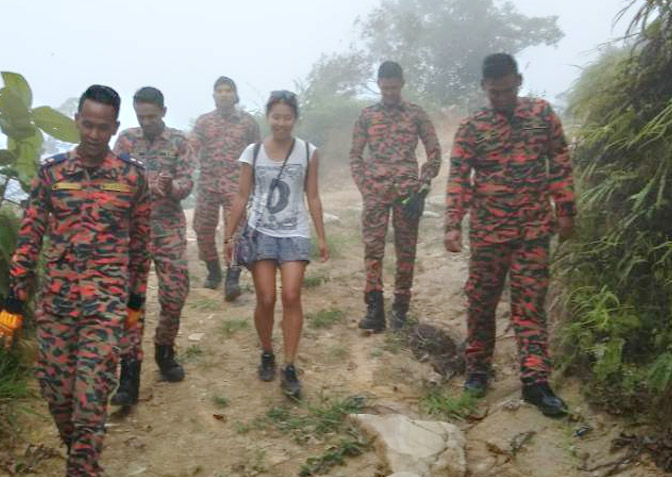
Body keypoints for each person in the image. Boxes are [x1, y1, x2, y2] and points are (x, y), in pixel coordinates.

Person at [0, 85, 151, 477]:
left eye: (104, 126)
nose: (95, 134)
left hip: (105, 306)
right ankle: (81, 449)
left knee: (91, 398)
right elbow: (29, 238)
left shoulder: (132, 178)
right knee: (59, 397)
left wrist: (135, 304)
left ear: (115, 128)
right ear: (78, 120)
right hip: (55, 307)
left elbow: (141, 245)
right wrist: (14, 302)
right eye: (88, 123)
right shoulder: (53, 173)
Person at [445, 53, 576, 418]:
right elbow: (459, 178)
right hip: (489, 233)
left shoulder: (542, 115)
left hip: (533, 230)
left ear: (518, 80)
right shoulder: (472, 128)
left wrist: (566, 210)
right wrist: (453, 223)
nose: (500, 97)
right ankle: (477, 371)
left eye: (505, 90)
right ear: (483, 88)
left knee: (530, 307)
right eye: (493, 92)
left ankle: (536, 382)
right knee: (481, 303)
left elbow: (560, 163)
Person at [224, 90, 328, 399]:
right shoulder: (252, 152)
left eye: (287, 117)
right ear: (268, 117)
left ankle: (290, 365)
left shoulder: (309, 152)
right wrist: (229, 235)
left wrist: (321, 235)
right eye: (276, 117)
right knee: (266, 298)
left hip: (294, 232)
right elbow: (242, 196)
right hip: (260, 232)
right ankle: (267, 351)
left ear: (295, 119)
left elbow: (312, 195)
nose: (281, 123)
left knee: (292, 295)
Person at [112, 87, 195, 400]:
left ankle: (164, 349)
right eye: (140, 116)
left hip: (168, 228)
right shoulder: (126, 140)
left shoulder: (179, 141)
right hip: (132, 231)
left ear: (163, 111)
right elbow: (114, 178)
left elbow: (188, 182)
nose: (146, 121)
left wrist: (171, 186)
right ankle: (129, 374)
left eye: (151, 115)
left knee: (175, 294)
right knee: (132, 302)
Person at [350, 61, 442, 332]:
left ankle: (400, 309)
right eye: (385, 87)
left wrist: (422, 188)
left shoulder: (416, 114)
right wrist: (364, 186)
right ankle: (375, 309)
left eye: (394, 86)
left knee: (406, 252)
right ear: (379, 84)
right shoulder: (367, 116)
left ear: (402, 83)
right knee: (373, 251)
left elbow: (434, 153)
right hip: (375, 193)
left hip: (407, 194)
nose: (390, 92)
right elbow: (355, 156)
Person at [192, 76, 261, 300]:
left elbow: (257, 152)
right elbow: (191, 149)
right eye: (219, 90)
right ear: (213, 96)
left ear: (235, 94)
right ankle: (213, 271)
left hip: (236, 185)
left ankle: (233, 277)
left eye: (228, 90)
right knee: (202, 227)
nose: (223, 94)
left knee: (235, 232)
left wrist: (256, 183)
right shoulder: (203, 122)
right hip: (208, 184)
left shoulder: (247, 122)